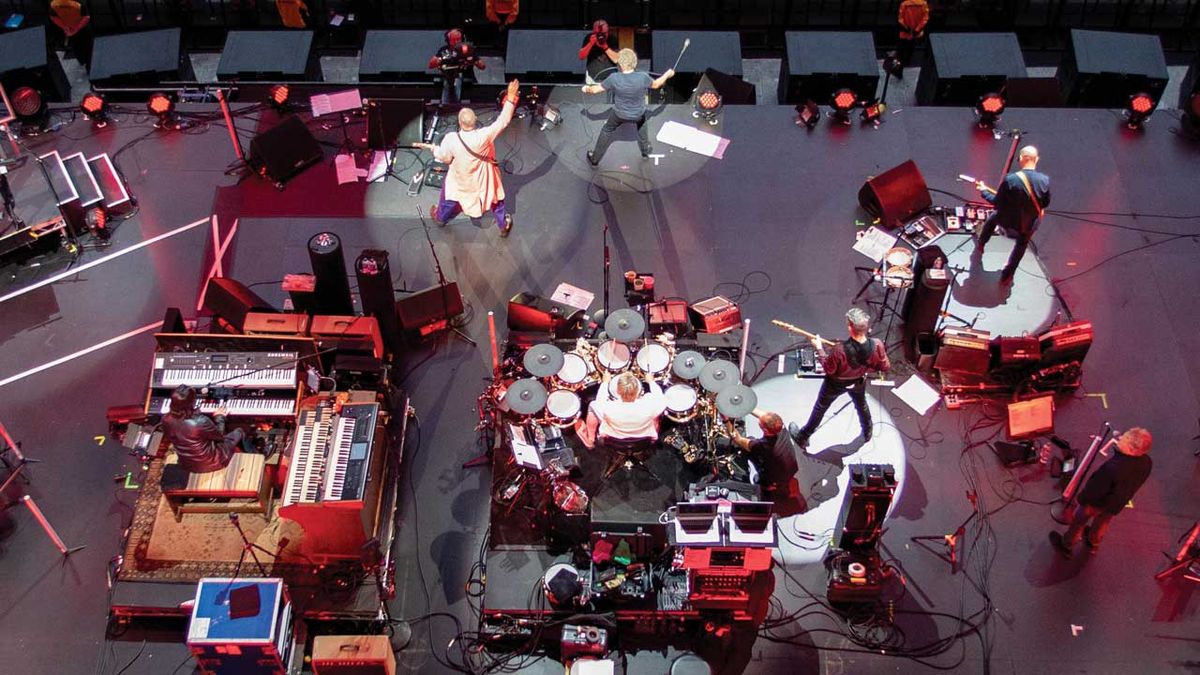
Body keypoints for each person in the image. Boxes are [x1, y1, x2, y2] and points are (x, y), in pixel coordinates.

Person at [416, 79, 520, 237]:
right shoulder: (484, 136)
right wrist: (511, 97)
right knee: (495, 198)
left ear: (459, 122)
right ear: (475, 122)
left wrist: (432, 148)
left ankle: (440, 217)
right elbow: (503, 120)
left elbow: (444, 158)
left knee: (449, 196)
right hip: (484, 179)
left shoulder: (451, 139)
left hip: (462, 181)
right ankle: (503, 225)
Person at [791, 308, 890, 448]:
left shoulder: (839, 350)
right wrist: (867, 369)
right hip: (858, 382)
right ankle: (868, 432)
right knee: (861, 405)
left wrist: (819, 348)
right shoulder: (877, 344)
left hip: (835, 384)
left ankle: (803, 436)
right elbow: (885, 367)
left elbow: (828, 369)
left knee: (820, 408)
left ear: (850, 327)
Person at [1050, 428, 1153, 558]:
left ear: (1131, 449)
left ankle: (1067, 544)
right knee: (1103, 522)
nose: (1120, 438)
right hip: (1116, 504)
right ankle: (1093, 542)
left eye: (1124, 438)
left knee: (1079, 522)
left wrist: (1081, 499)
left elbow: (1094, 490)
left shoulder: (1114, 468)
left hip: (1095, 503)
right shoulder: (1147, 462)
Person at [581, 48, 675, 165]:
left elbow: (595, 90)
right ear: (634, 63)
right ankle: (645, 151)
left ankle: (594, 159)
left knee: (607, 129)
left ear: (619, 64)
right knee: (642, 123)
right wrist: (667, 74)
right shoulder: (643, 77)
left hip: (619, 115)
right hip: (638, 114)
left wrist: (586, 89)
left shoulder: (614, 78)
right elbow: (656, 85)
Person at [974, 145, 1051, 285]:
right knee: (1021, 245)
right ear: (1037, 159)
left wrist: (983, 191)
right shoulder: (1045, 180)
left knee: (992, 218)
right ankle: (1007, 275)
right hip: (1029, 223)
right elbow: (1045, 204)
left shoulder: (1011, 179)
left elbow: (996, 203)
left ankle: (981, 244)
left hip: (1007, 220)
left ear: (1021, 158)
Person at [160, 385, 253, 474]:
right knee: (240, 431)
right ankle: (256, 455)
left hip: (186, 463)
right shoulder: (200, 421)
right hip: (213, 462)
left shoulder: (165, 419)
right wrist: (219, 417)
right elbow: (220, 437)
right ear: (191, 402)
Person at [575, 371, 667, 449]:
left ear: (618, 391)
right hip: (643, 437)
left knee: (592, 405)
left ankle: (591, 439)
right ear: (638, 390)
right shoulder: (649, 406)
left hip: (613, 437)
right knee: (656, 414)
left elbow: (600, 399)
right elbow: (661, 399)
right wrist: (651, 381)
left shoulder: (608, 407)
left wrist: (605, 382)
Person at [725, 411, 800, 501]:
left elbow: (737, 438)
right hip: (789, 470)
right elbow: (765, 417)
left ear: (765, 430)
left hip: (773, 479)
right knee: (751, 441)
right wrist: (747, 406)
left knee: (744, 446)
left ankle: (765, 486)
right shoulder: (780, 427)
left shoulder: (762, 446)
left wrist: (726, 420)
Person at [428, 28, 485, 105]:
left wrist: (473, 60)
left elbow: (482, 66)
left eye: (458, 39)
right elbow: (431, 65)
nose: (456, 42)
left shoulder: (467, 49)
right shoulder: (444, 51)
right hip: (449, 79)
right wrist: (441, 59)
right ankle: (447, 105)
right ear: (448, 41)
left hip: (466, 82)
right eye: (453, 40)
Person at [579, 19, 620, 85]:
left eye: (604, 34)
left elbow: (616, 59)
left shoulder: (612, 38)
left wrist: (605, 47)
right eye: (599, 34)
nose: (601, 36)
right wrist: (590, 43)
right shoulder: (589, 38)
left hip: (610, 77)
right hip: (593, 77)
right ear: (594, 32)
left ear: (607, 31)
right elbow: (581, 56)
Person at [895, 0, 930, 72]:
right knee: (911, 49)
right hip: (915, 34)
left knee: (901, 50)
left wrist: (906, 28)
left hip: (904, 33)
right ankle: (907, 63)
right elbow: (925, 19)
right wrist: (917, 29)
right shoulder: (923, 4)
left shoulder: (904, 4)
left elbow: (900, 18)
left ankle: (898, 67)